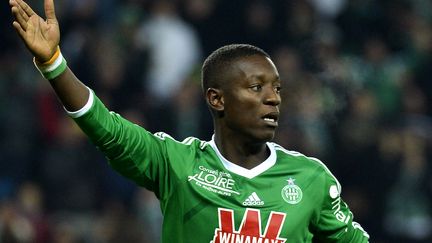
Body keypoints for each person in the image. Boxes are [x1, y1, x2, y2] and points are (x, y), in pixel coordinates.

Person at [9, 0, 370, 242]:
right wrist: (55, 64)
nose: (273, 97)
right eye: (257, 87)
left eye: (276, 88)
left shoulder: (311, 178)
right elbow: (108, 128)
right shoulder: (177, 164)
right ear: (217, 99)